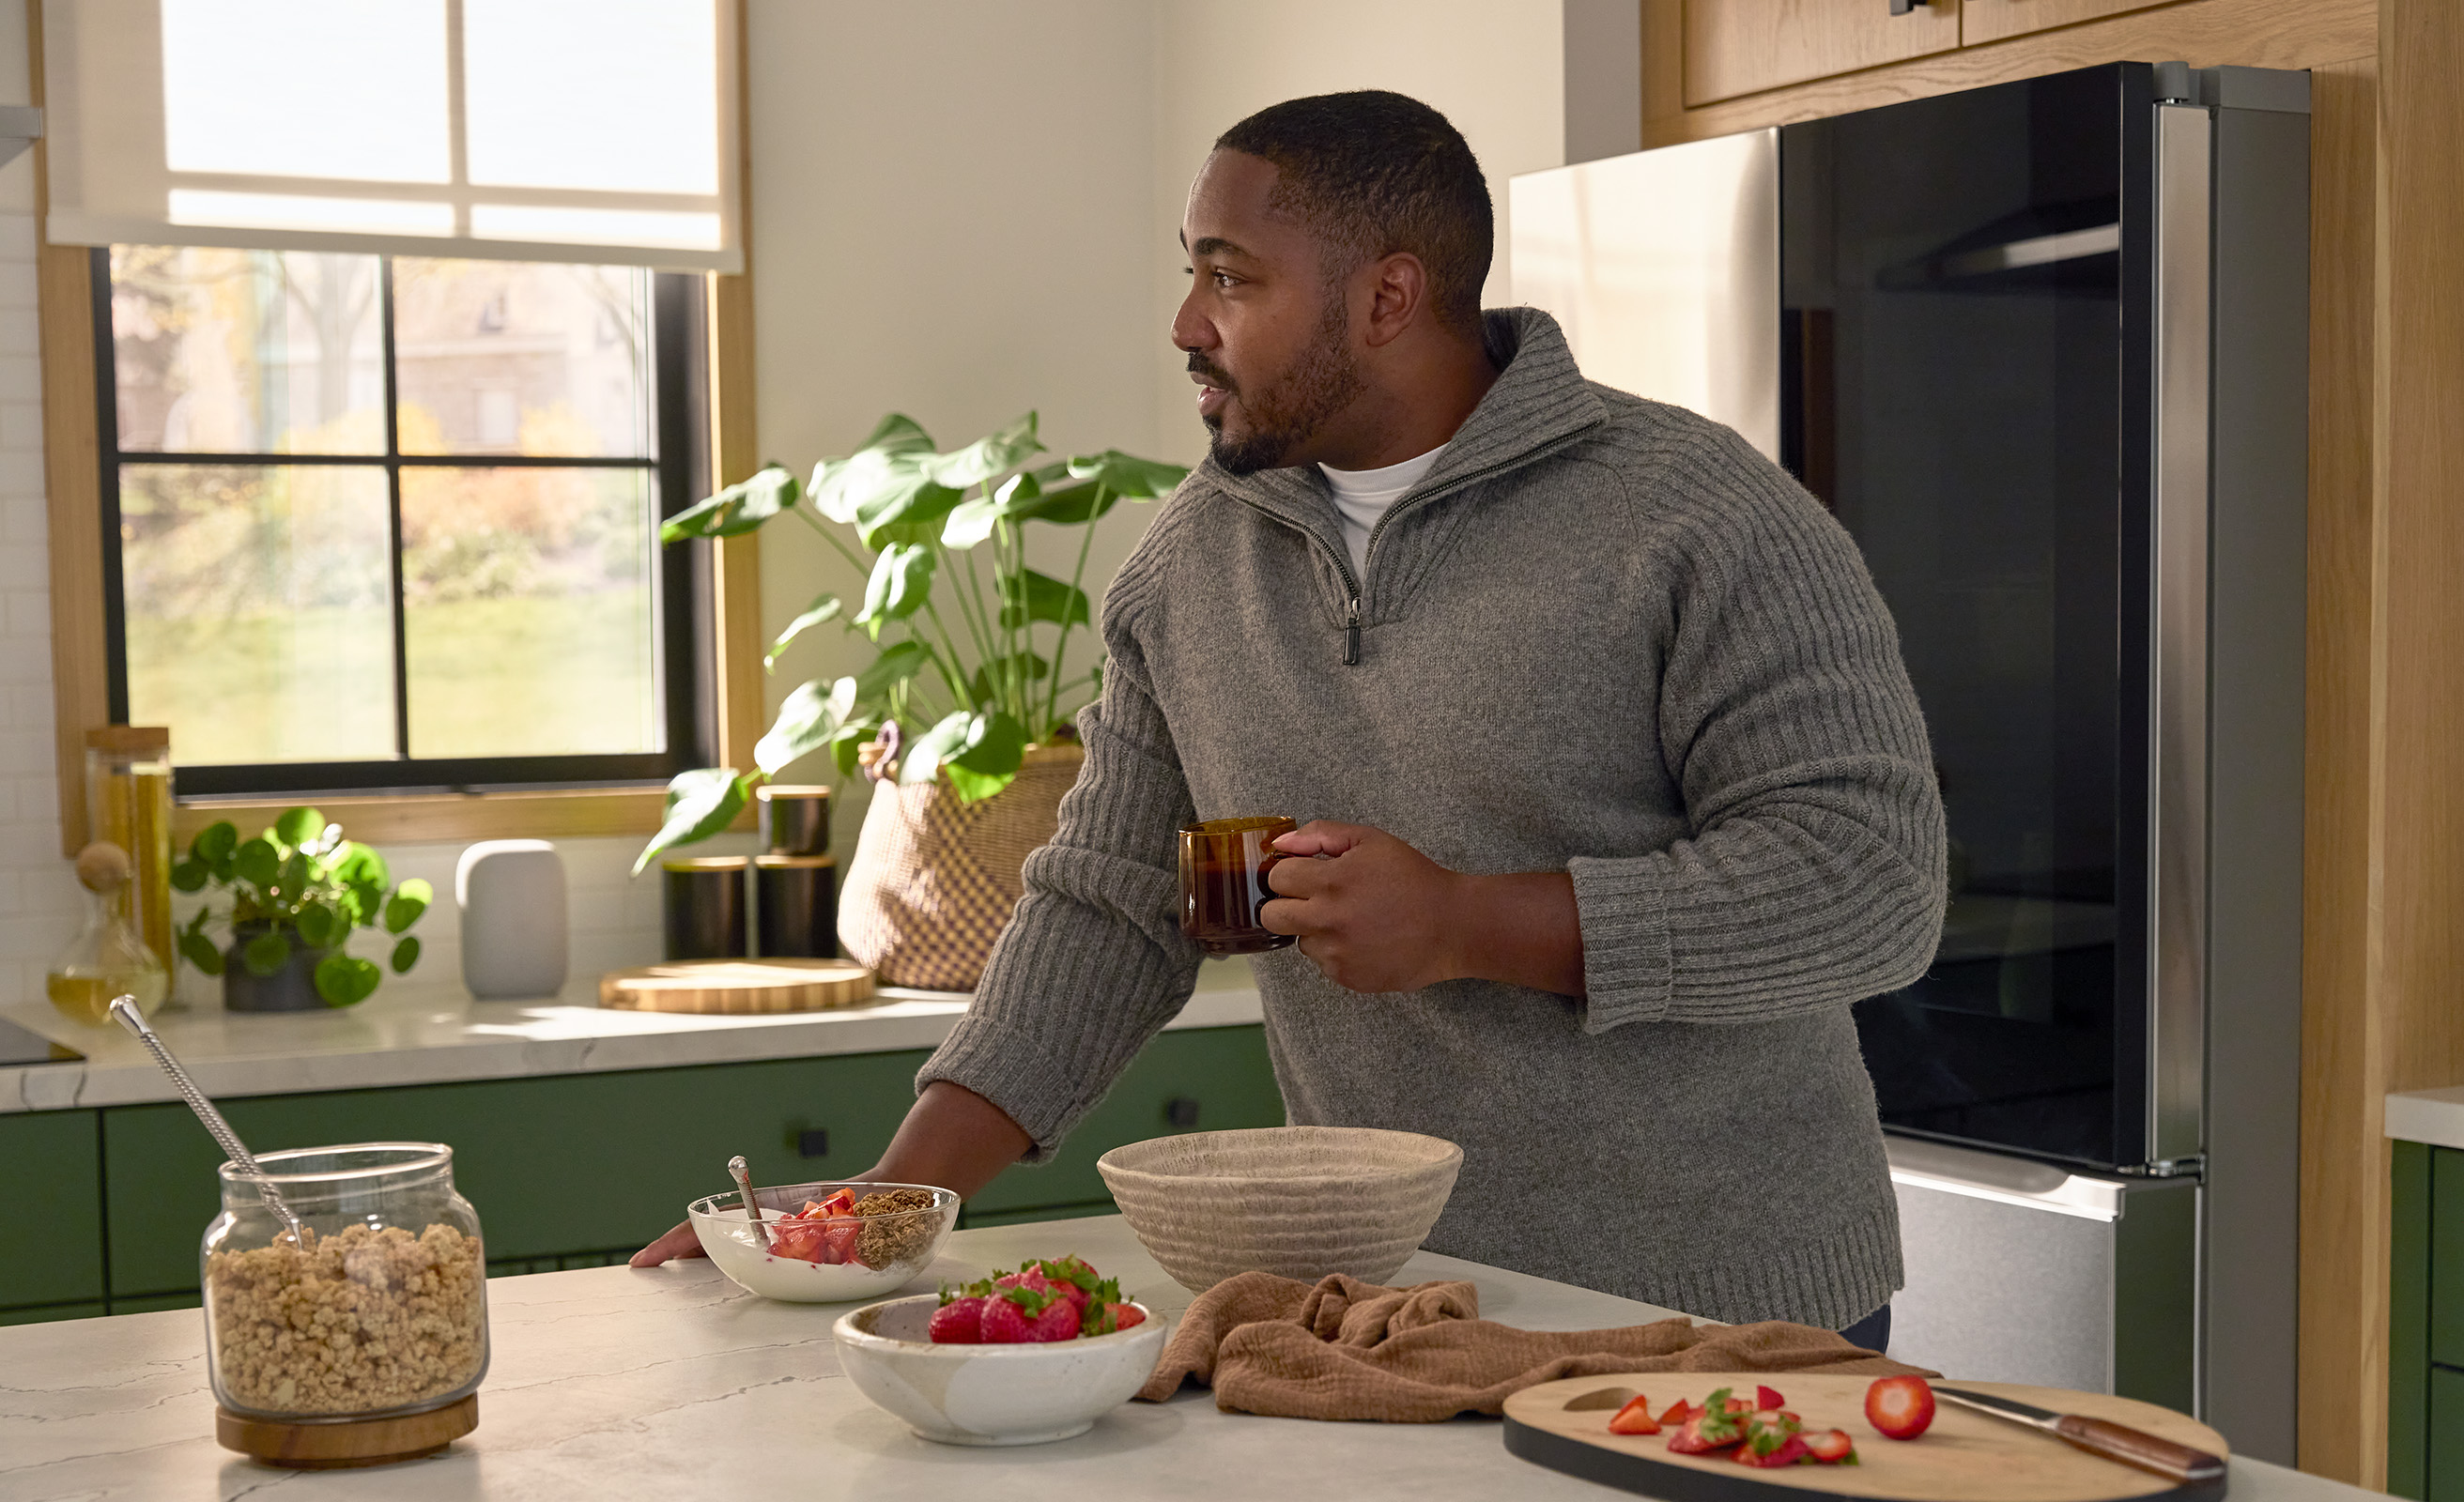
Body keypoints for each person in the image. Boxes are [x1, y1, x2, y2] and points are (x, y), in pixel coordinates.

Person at [636, 90, 1945, 1344]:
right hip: (1395, 1313)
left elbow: (1868, 884)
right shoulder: (1189, 567)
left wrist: (1462, 922)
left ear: (1386, 297)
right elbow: (1106, 911)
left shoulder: (1702, 516)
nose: (1185, 324)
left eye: (1230, 278)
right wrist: (881, 1209)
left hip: (1728, 1310)